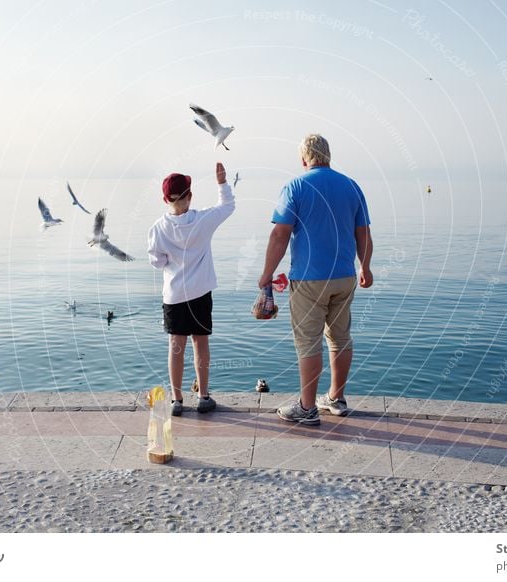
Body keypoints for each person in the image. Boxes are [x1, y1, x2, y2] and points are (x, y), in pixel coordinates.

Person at [259, 134, 373, 425]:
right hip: (345, 276)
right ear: (328, 155)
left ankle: (307, 408)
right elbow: (363, 234)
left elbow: (280, 234)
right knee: (340, 337)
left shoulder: (296, 186)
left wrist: (267, 274)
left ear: (303, 159)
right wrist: (366, 267)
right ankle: (336, 398)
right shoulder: (351, 186)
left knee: (309, 343)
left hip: (309, 279)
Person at [148, 162, 235, 416]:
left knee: (176, 347)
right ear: (190, 195)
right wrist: (222, 183)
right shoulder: (203, 220)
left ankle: (176, 400)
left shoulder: (158, 228)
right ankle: (204, 396)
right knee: (201, 344)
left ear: (165, 199)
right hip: (200, 294)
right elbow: (227, 206)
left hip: (174, 296)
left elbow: (156, 262)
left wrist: (171, 262)